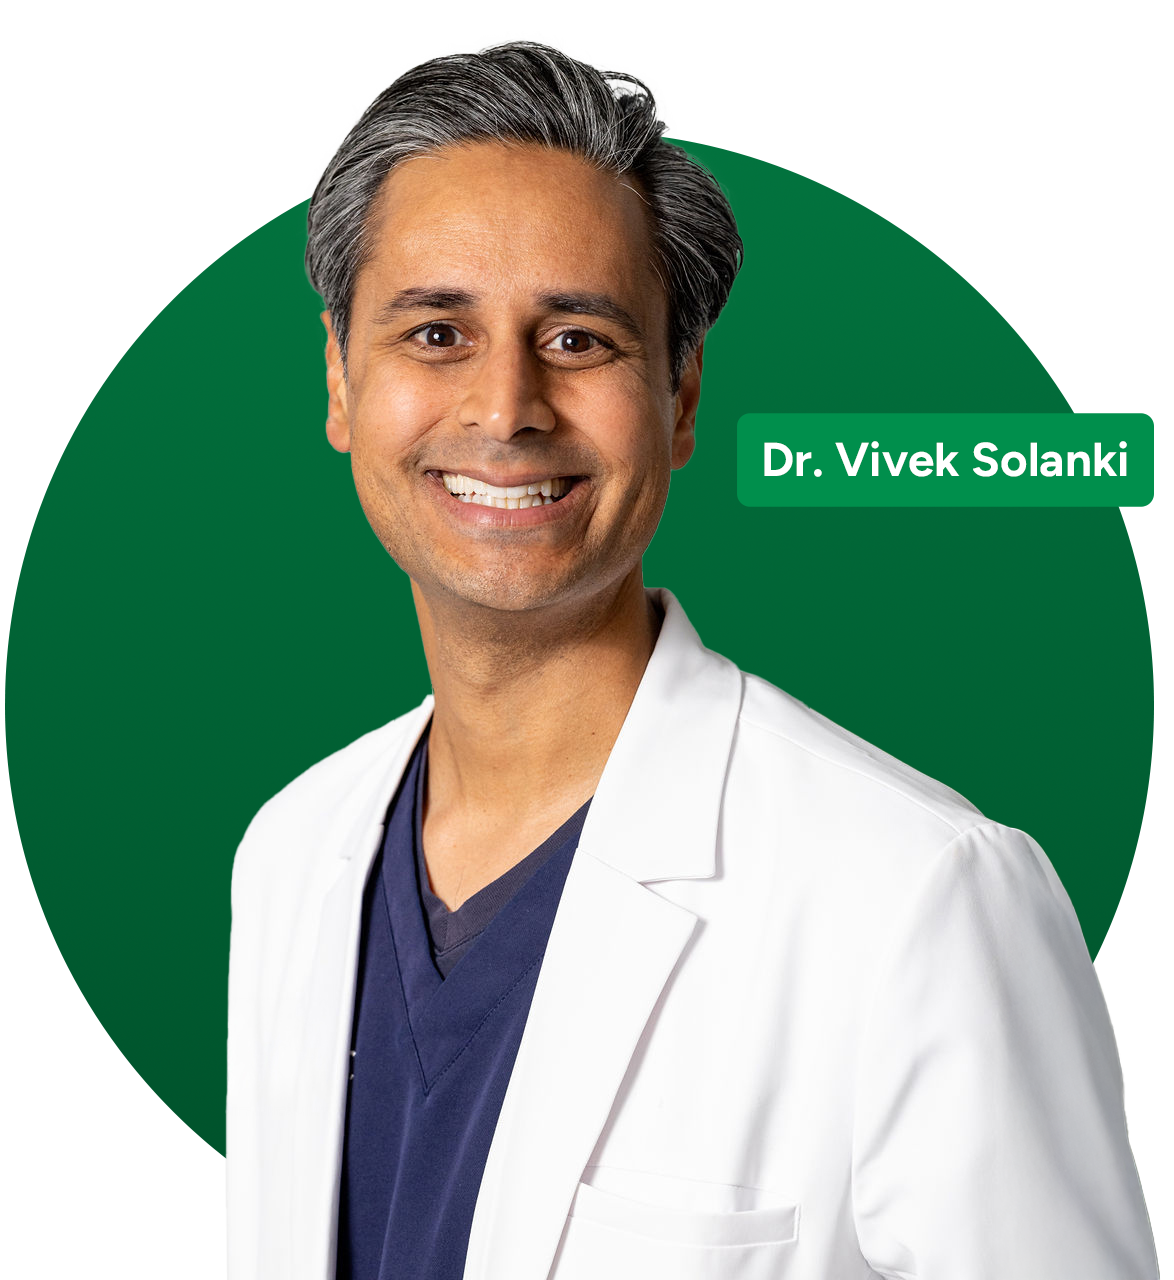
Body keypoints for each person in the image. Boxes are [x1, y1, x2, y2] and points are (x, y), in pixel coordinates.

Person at [225, 37, 1158, 1280]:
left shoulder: (918, 894)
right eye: (436, 332)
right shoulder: (293, 852)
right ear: (341, 381)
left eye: (578, 340)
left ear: (680, 399)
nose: (504, 408)